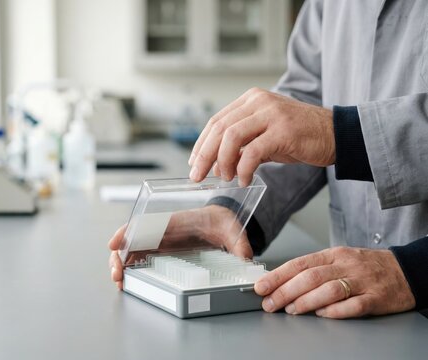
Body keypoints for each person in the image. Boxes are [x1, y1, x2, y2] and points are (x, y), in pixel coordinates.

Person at [109, 0, 428, 318]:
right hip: (348, 308)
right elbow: (306, 108)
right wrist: (231, 214)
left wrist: (415, 269)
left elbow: (320, 127)